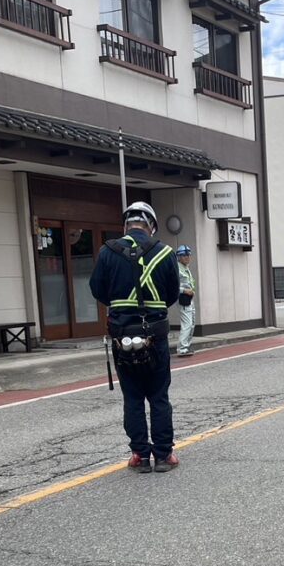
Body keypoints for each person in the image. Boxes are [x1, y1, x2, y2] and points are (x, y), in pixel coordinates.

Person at [89, 201, 181, 473]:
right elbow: (173, 294)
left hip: (122, 334)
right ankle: (164, 455)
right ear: (151, 225)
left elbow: (97, 289)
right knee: (158, 395)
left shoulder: (108, 251)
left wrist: (122, 306)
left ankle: (140, 455)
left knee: (132, 396)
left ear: (126, 225)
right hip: (155, 334)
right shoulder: (165, 252)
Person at [176, 245, 196, 357]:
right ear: (178, 257)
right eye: (184, 255)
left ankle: (186, 346)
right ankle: (182, 348)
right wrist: (184, 290)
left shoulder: (186, 267)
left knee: (192, 323)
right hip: (183, 298)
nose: (187, 257)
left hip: (189, 298)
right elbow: (173, 286)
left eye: (188, 255)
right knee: (187, 323)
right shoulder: (177, 268)